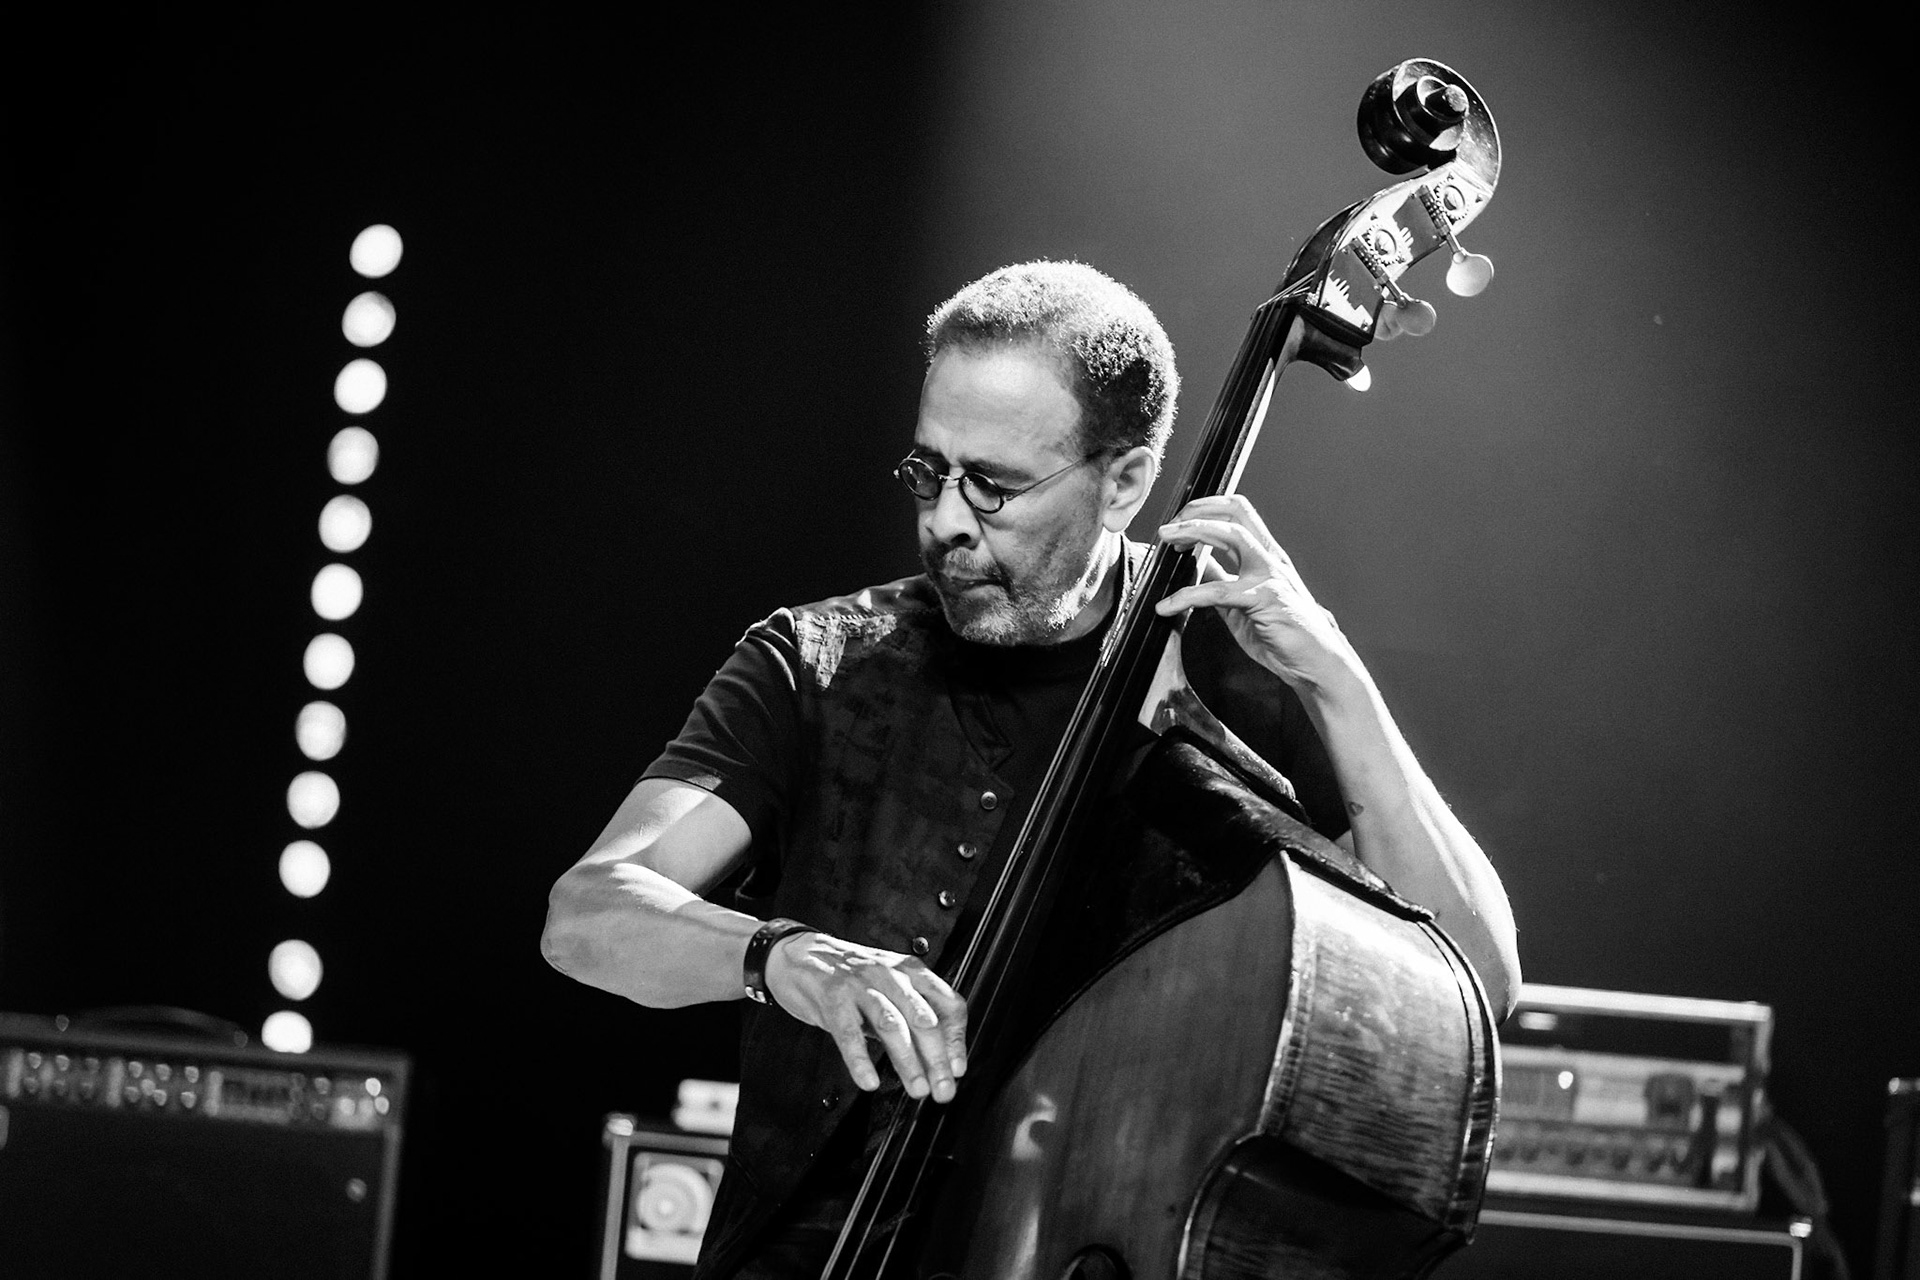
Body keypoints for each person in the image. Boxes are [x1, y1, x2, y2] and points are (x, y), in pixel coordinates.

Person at [542, 260, 1520, 1278]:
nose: (948, 521)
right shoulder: (821, 665)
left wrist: (1338, 684)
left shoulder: (1240, 668)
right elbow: (589, 914)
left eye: (994, 487)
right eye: (929, 472)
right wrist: (782, 954)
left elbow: (1472, 984)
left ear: (1127, 480)